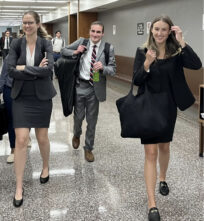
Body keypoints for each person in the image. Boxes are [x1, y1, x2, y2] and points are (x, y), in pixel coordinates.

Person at [132, 15, 202, 221]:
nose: (160, 33)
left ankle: (162, 178)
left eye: (164, 30)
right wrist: (146, 63)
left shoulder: (176, 52)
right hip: (147, 105)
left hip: (168, 106)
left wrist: (182, 41)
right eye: (156, 29)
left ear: (170, 31)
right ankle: (152, 203)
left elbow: (197, 64)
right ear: (151, 30)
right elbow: (136, 80)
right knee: (150, 152)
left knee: (164, 147)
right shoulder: (142, 51)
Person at [7, 10, 56, 207]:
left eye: (30, 23)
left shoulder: (46, 44)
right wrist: (36, 70)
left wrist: (23, 69)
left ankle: (46, 166)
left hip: (42, 98)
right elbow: (10, 70)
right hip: (21, 98)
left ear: (37, 24)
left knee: (42, 137)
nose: (27, 26)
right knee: (21, 139)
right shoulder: (16, 44)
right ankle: (19, 186)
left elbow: (49, 70)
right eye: (24, 23)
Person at [61, 21, 116, 162]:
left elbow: (113, 70)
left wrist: (103, 67)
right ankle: (76, 134)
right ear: (89, 31)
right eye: (93, 31)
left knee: (92, 121)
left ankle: (88, 148)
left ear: (102, 33)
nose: (95, 34)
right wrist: (76, 51)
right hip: (80, 86)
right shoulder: (82, 42)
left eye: (98, 32)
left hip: (94, 88)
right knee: (78, 117)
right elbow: (63, 50)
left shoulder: (108, 47)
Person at [0, 55, 16, 164]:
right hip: (10, 90)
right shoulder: (10, 56)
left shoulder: (32, 55)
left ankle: (25, 138)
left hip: (26, 91)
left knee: (25, 119)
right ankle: (13, 149)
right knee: (11, 119)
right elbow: (3, 74)